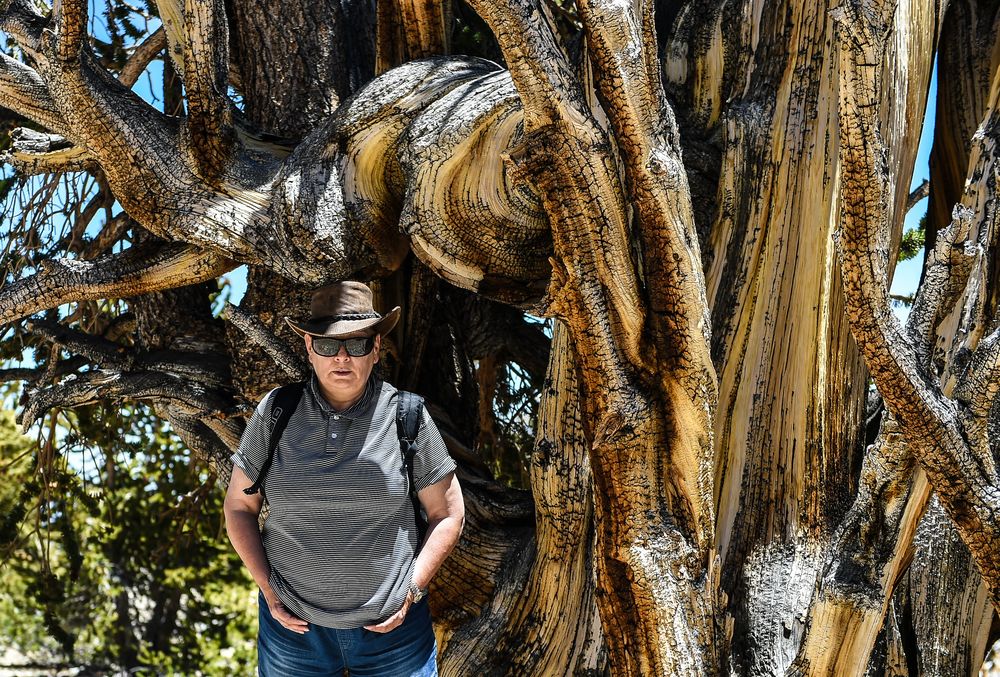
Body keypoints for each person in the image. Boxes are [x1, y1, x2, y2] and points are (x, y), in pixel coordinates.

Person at [224, 281, 465, 677]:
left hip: (395, 634)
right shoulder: (276, 412)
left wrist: (411, 592)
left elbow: (449, 514)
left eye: (355, 345)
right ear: (308, 347)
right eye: (327, 345)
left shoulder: (407, 416)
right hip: (293, 633)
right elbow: (238, 507)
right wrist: (268, 590)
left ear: (374, 350)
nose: (342, 358)